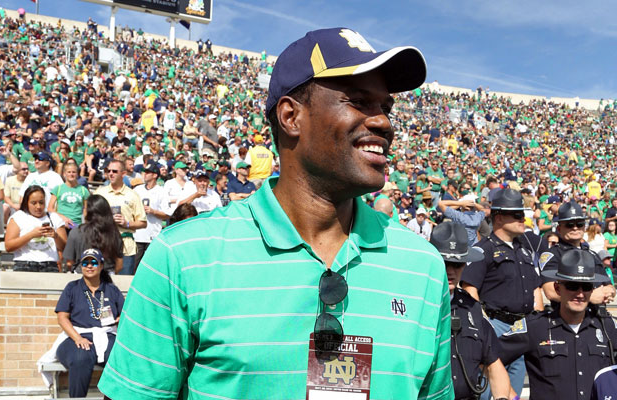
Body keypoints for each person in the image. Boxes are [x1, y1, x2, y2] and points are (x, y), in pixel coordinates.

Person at [99, 28, 452, 399]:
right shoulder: (184, 258)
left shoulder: (422, 267)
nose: (384, 122)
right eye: (359, 101)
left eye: (386, 107)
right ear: (290, 116)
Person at [498, 249, 617, 400]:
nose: (580, 294)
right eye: (572, 286)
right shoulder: (535, 327)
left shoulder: (607, 327)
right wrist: (511, 396)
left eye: (586, 287)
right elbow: (491, 358)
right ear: (557, 288)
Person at [460, 188, 544, 397]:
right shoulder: (484, 249)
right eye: (516, 215)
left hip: (522, 326)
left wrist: (536, 320)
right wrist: (483, 324)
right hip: (495, 325)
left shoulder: (524, 249)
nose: (522, 219)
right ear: (498, 217)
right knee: (488, 389)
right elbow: (469, 287)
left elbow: (535, 288)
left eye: (522, 214)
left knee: (512, 386)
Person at [430, 221, 512, 400]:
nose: (450, 271)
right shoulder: (419, 304)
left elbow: (494, 363)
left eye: (457, 264)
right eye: (445, 263)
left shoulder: (472, 307)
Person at [55, 248, 124, 398]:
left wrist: (119, 319)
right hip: (77, 335)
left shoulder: (111, 289)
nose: (89, 266)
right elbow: (62, 317)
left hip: (106, 335)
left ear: (101, 265)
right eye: (85, 262)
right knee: (81, 357)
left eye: (94, 262)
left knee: (119, 358)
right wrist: (77, 338)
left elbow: (124, 314)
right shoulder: (72, 288)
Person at [540, 201, 615, 306]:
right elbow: (550, 292)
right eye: (569, 225)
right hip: (565, 318)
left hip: (595, 317)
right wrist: (589, 297)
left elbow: (609, 285)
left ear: (584, 228)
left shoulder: (592, 255)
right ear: (559, 229)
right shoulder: (552, 255)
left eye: (579, 224)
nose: (575, 228)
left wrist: (609, 292)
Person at [95, 159, 147, 275]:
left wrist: (127, 223)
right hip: (104, 243)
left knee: (124, 284)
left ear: (123, 174)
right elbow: (89, 216)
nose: (111, 174)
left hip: (126, 245)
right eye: (109, 171)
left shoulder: (133, 195)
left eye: (115, 171)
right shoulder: (99, 192)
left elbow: (143, 222)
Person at [4, 185, 67, 272]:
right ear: (26, 203)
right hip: (24, 264)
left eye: (41, 202)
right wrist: (31, 235)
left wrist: (55, 236)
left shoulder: (55, 218)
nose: (38, 207)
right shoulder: (18, 217)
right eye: (34, 203)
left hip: (50, 265)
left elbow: (64, 247)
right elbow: (8, 246)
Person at [63, 195, 124, 274]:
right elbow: (119, 265)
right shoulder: (114, 234)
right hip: (107, 277)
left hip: (81, 276)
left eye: (84, 208)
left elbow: (69, 262)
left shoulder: (75, 233)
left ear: (88, 211)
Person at [133, 161, 169, 268]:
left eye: (148, 172)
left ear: (155, 175)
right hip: (137, 235)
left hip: (153, 235)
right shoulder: (137, 190)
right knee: (135, 268)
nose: (145, 174)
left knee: (150, 267)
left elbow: (166, 214)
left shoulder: (161, 192)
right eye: (144, 172)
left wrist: (153, 211)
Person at [48, 163, 90, 229]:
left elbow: (86, 210)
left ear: (77, 174)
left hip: (76, 225)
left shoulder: (84, 190)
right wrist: (63, 218)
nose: (71, 174)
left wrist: (85, 225)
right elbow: (50, 208)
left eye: (74, 172)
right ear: (64, 174)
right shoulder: (58, 188)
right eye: (69, 172)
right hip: (61, 224)